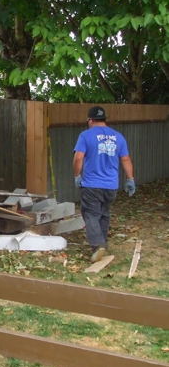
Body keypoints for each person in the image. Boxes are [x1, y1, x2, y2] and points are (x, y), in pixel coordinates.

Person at [73, 106, 136, 263]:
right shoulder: (118, 137)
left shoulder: (85, 135)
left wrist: (77, 175)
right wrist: (130, 179)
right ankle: (103, 244)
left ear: (90, 120)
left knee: (91, 214)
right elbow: (126, 159)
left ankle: (98, 245)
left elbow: (78, 158)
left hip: (92, 185)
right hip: (111, 186)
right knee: (104, 213)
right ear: (104, 120)